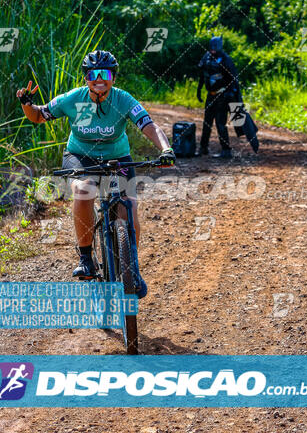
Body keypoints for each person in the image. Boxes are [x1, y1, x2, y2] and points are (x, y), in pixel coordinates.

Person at [16, 50, 176, 299]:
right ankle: (86, 258)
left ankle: (131, 268)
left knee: (129, 207)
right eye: (93, 74)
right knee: (84, 190)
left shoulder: (123, 99)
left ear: (113, 76)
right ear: (86, 77)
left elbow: (149, 125)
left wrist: (166, 149)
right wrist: (26, 103)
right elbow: (39, 115)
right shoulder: (73, 98)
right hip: (80, 155)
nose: (99, 79)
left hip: (117, 158)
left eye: (105, 73)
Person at [196, 36, 240, 158]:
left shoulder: (226, 59)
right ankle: (203, 148)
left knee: (220, 123)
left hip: (222, 96)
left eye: (216, 47)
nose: (214, 49)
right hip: (210, 96)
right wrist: (199, 90)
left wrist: (231, 95)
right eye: (212, 47)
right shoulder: (207, 57)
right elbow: (202, 75)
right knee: (207, 123)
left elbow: (234, 80)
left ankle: (226, 150)